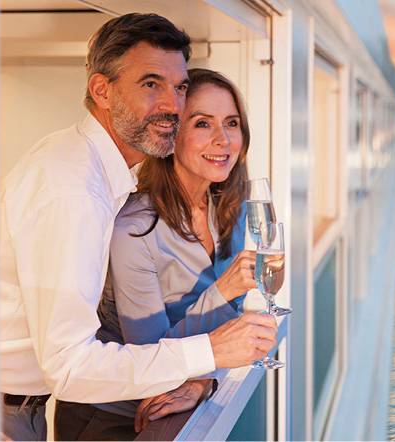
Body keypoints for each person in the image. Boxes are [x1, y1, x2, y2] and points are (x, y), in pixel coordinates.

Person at [0, 14, 277, 441]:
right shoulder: (76, 193)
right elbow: (71, 367)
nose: (171, 104)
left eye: (179, 87)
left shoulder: (102, 174)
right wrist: (212, 351)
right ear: (101, 91)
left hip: (25, 406)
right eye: (151, 83)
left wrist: (203, 374)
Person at [54, 68, 259, 439]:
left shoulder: (232, 208)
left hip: (185, 399)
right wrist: (222, 293)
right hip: (112, 418)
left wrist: (203, 381)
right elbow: (148, 352)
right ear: (171, 134)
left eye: (232, 123)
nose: (223, 139)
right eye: (202, 124)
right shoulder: (134, 227)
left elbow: (234, 328)